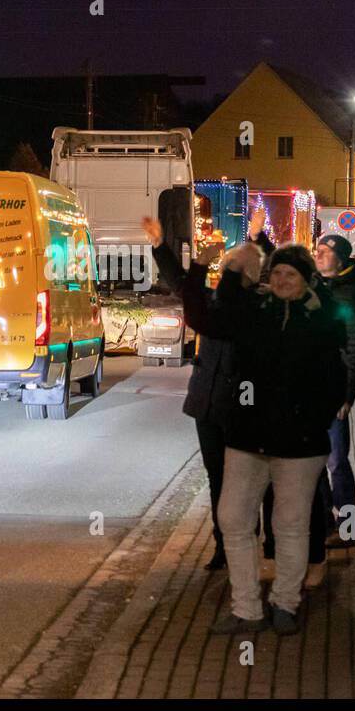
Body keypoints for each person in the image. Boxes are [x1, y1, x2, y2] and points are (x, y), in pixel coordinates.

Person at [183, 242, 345, 636]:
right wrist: (204, 269)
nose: (282, 280)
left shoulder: (322, 318)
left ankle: (285, 603)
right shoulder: (254, 312)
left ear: (306, 279)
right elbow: (204, 317)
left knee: (289, 524)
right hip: (247, 438)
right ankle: (246, 607)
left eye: (291, 274)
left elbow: (335, 380)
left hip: (299, 444)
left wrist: (311, 420)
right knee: (233, 518)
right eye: (276, 273)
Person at [144, 213, 272, 571]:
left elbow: (196, 306)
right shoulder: (218, 300)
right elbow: (183, 286)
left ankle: (245, 540)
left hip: (240, 404)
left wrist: (258, 242)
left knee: (242, 481)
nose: (224, 271)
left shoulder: (255, 305)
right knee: (218, 477)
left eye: (229, 267)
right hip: (208, 402)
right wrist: (159, 246)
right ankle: (224, 544)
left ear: (246, 274)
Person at [313, 234, 355, 541]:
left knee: (336, 460)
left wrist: (347, 395)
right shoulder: (315, 288)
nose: (318, 255)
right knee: (313, 460)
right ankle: (325, 521)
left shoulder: (354, 296)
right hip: (311, 389)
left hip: (335, 390)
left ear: (340, 257)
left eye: (325, 251)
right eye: (317, 250)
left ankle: (347, 526)